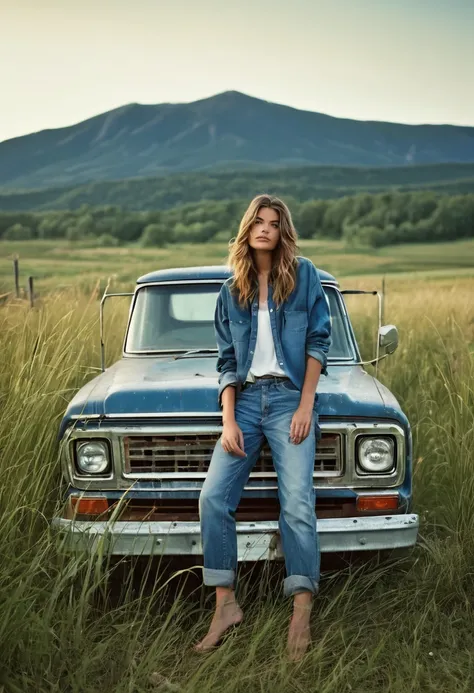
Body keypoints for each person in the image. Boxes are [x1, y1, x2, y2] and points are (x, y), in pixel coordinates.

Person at [193, 194, 332, 661]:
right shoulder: (231, 289)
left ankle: (301, 610)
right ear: (247, 229)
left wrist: (305, 405)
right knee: (213, 498)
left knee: (296, 501)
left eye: (274, 222)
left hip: (291, 398)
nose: (266, 228)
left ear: (282, 230)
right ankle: (225, 604)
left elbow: (318, 339)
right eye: (259, 221)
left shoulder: (305, 274)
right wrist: (229, 419)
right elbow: (227, 360)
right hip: (247, 404)